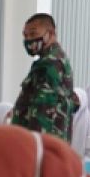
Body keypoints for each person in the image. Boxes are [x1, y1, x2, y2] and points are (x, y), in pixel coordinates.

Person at [11, 13, 78, 141]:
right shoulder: (51, 60)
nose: (29, 39)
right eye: (25, 35)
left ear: (51, 34)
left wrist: (34, 146)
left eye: (33, 34)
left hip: (42, 146)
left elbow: (43, 111)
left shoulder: (50, 63)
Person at [71, 87, 90, 157]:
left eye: (76, 100)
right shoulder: (65, 115)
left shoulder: (86, 118)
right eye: (72, 99)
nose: (73, 102)